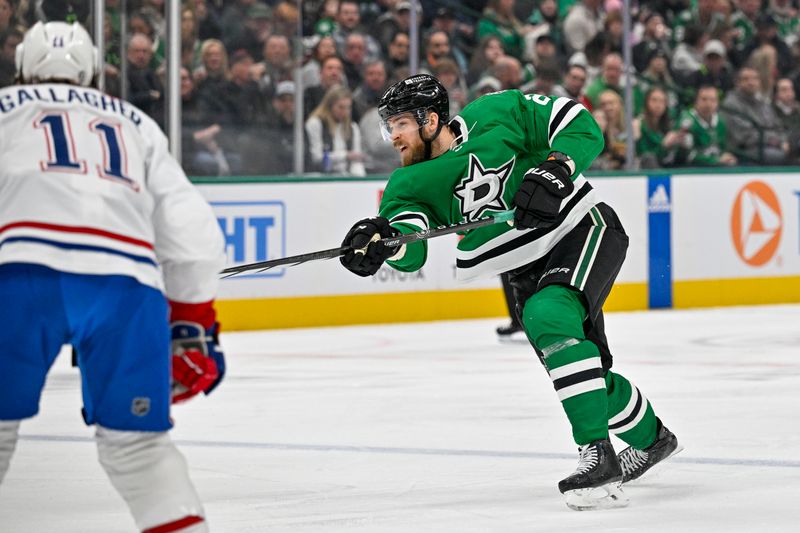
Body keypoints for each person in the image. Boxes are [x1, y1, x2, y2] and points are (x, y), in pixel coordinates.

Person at [338, 74, 681, 510]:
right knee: (581, 369)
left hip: (580, 230)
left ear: (429, 119)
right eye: (389, 128)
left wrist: (558, 166)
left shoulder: (497, 112)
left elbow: (579, 123)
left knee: (547, 315)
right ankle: (655, 441)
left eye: (399, 124)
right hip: (521, 268)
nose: (393, 138)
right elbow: (411, 245)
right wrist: (382, 245)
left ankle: (599, 457)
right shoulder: (406, 185)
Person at [0, 22, 225, 532]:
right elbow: (193, 233)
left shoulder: (5, 108)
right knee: (139, 451)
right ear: (96, 74)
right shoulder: (135, 121)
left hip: (19, 279)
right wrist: (192, 320)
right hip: (126, 287)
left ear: (20, 70)